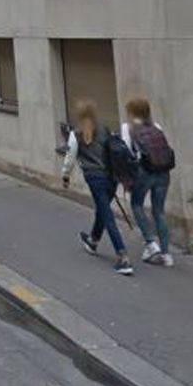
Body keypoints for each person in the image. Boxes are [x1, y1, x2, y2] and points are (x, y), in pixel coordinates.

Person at [61, 100, 135, 276]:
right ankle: (93, 240)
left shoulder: (76, 134)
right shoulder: (104, 130)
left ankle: (123, 256)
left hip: (95, 179)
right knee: (103, 210)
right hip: (111, 177)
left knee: (107, 215)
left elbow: (70, 158)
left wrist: (65, 176)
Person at [122, 97, 175, 267]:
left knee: (137, 204)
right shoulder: (156, 126)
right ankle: (166, 254)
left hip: (144, 172)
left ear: (131, 112)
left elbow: (127, 152)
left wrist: (126, 178)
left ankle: (151, 243)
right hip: (163, 172)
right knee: (159, 211)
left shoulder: (128, 128)